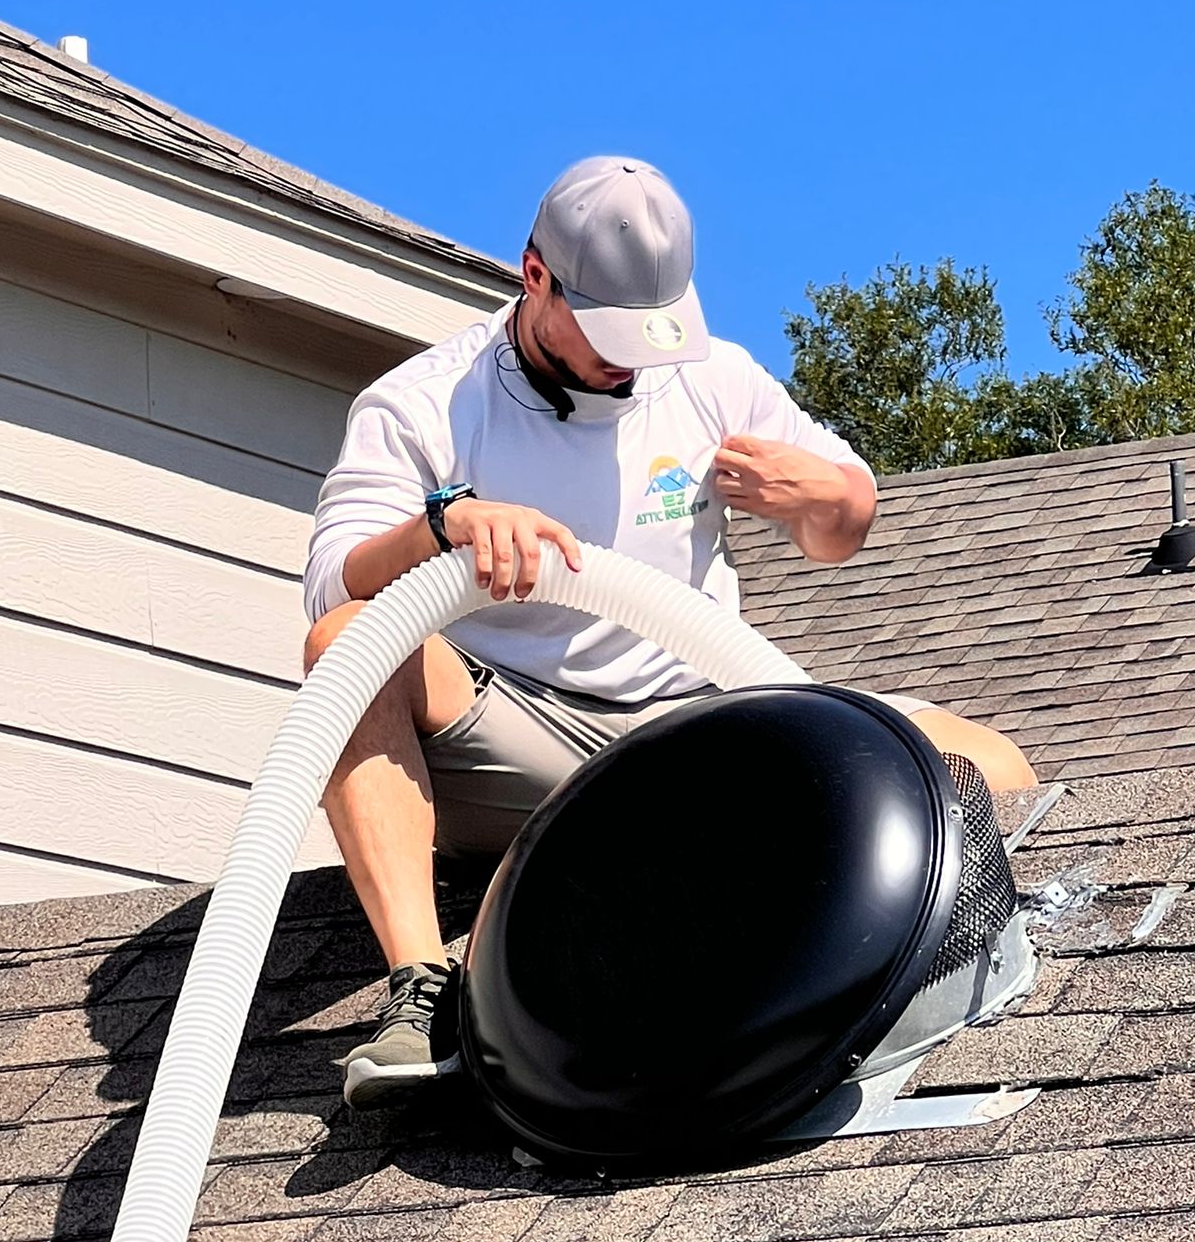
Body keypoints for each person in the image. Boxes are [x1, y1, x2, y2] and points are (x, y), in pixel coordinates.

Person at [302, 156, 1036, 1108]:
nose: (632, 361)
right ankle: (422, 995)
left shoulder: (712, 379)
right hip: (524, 743)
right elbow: (331, 585)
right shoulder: (428, 404)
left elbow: (841, 524)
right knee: (350, 641)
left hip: (704, 739)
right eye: (609, 333)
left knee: (996, 768)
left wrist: (834, 501)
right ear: (535, 279)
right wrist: (443, 528)